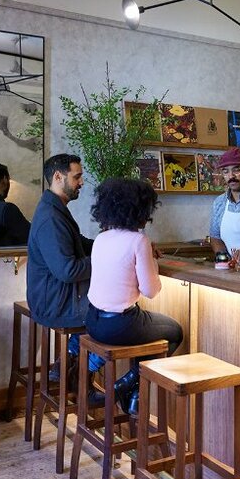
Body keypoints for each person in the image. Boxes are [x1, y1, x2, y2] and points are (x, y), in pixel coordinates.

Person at [86, 178, 183, 415]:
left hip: (93, 322)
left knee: (151, 330)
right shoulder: (139, 241)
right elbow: (151, 290)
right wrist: (152, 261)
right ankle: (127, 385)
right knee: (176, 332)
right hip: (121, 325)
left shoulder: (101, 238)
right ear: (141, 210)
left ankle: (133, 394)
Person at [26, 154, 104, 405]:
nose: (82, 182)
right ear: (58, 177)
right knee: (115, 317)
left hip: (58, 296)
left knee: (112, 313)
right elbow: (68, 270)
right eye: (77, 176)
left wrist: (111, 245)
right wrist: (110, 260)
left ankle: (69, 364)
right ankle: (81, 381)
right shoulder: (50, 217)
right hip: (56, 303)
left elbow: (80, 244)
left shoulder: (55, 209)